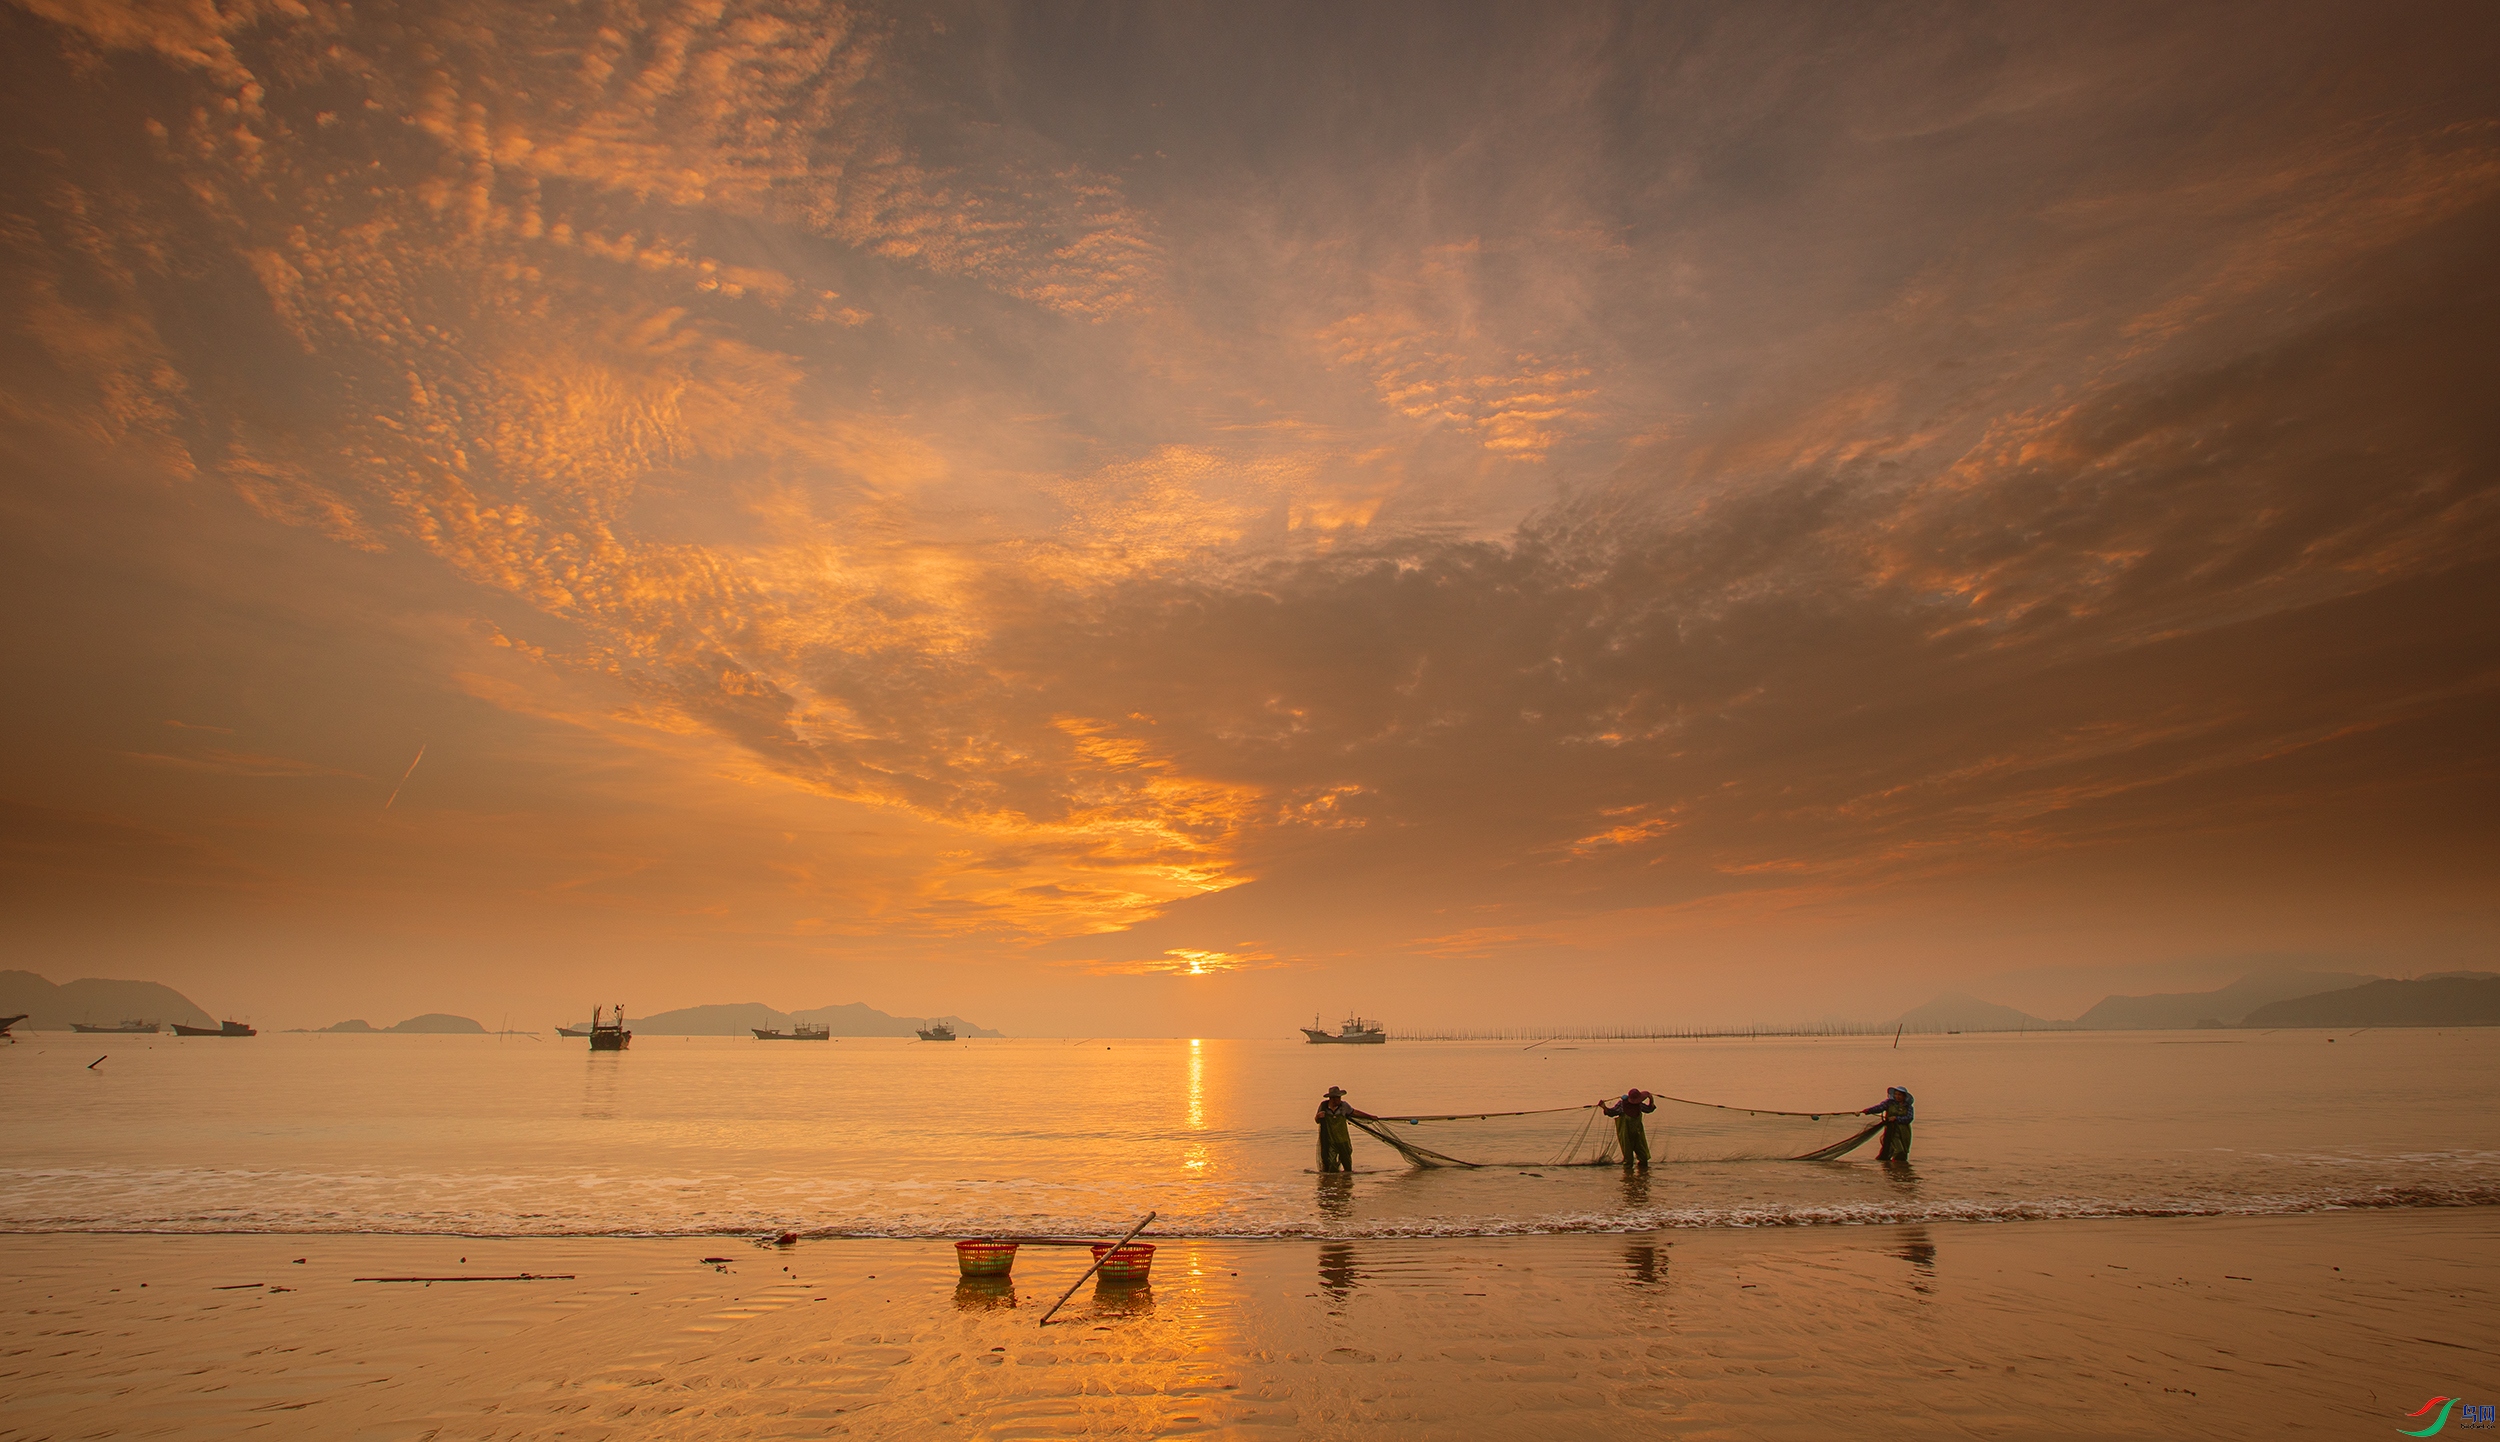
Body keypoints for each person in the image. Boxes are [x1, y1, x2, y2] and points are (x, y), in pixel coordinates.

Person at [1314, 1086, 1374, 1173]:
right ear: (1331, 1098)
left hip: (1343, 1140)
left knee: (1347, 1166)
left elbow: (1354, 1112)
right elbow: (1317, 1121)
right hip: (1330, 1142)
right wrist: (1317, 1117)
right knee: (1331, 1165)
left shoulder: (1344, 1106)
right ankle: (1332, 1184)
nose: (1339, 1099)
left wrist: (1369, 1116)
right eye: (1337, 1098)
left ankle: (1346, 1182)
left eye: (1339, 1097)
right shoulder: (1323, 1107)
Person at [1600, 1087, 1657, 1168]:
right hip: (1625, 1135)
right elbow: (1611, 1112)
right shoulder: (1622, 1105)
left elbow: (1649, 1109)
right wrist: (1604, 1107)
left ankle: (1641, 1175)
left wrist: (1651, 1099)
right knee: (1628, 1160)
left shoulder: (1639, 1105)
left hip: (1637, 1135)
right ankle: (1628, 1176)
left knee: (1643, 1157)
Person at [1862, 1086, 1915, 1161]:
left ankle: (1895, 1168)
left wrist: (1896, 1118)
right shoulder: (1889, 1103)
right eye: (1896, 1094)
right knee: (1899, 1150)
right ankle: (1896, 1167)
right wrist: (1867, 1111)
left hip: (1904, 1131)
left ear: (1904, 1096)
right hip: (1892, 1130)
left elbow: (1909, 1118)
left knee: (1904, 1151)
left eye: (1900, 1095)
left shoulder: (1908, 1107)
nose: (1897, 1096)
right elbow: (1879, 1108)